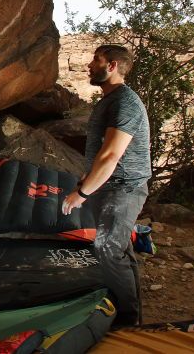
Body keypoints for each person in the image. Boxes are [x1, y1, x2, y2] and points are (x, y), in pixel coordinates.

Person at [61, 44, 151, 327]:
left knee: (107, 247)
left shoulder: (125, 101)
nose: (89, 65)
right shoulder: (110, 99)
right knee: (119, 248)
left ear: (111, 66)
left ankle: (126, 323)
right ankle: (131, 314)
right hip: (110, 186)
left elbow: (112, 154)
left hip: (124, 187)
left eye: (95, 60)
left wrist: (83, 192)